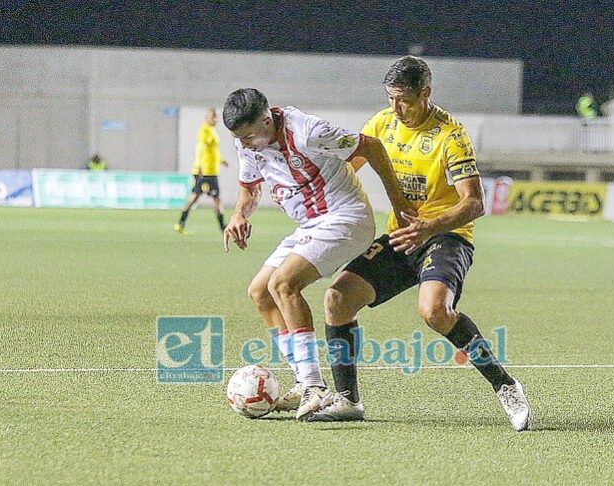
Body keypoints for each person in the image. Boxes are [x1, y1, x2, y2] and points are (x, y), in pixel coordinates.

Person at [310, 56, 532, 431]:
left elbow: (474, 202)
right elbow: (347, 169)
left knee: (434, 312)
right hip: (402, 235)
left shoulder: (451, 135)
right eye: (391, 98)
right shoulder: (382, 124)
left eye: (405, 100)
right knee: (337, 299)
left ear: (425, 94)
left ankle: (506, 386)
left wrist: (429, 227)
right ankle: (348, 399)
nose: (397, 108)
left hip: (446, 237)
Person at [222, 88, 412, 420]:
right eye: (240, 139)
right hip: (310, 225)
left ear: (267, 119)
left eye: (250, 136)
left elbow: (372, 147)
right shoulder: (247, 141)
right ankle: (302, 381)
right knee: (260, 293)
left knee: (283, 283)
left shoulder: (309, 132)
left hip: (346, 217)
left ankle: (314, 385)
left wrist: (399, 204)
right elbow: (250, 187)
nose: (246, 144)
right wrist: (240, 214)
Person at [174, 108, 229, 234]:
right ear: (206, 118)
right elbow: (201, 149)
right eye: (213, 116)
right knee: (215, 198)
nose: (215, 119)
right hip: (206, 171)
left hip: (211, 170)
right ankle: (222, 228)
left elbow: (212, 151)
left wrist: (221, 160)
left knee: (195, 196)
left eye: (216, 117)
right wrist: (199, 167)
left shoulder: (211, 130)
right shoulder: (204, 130)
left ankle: (180, 223)